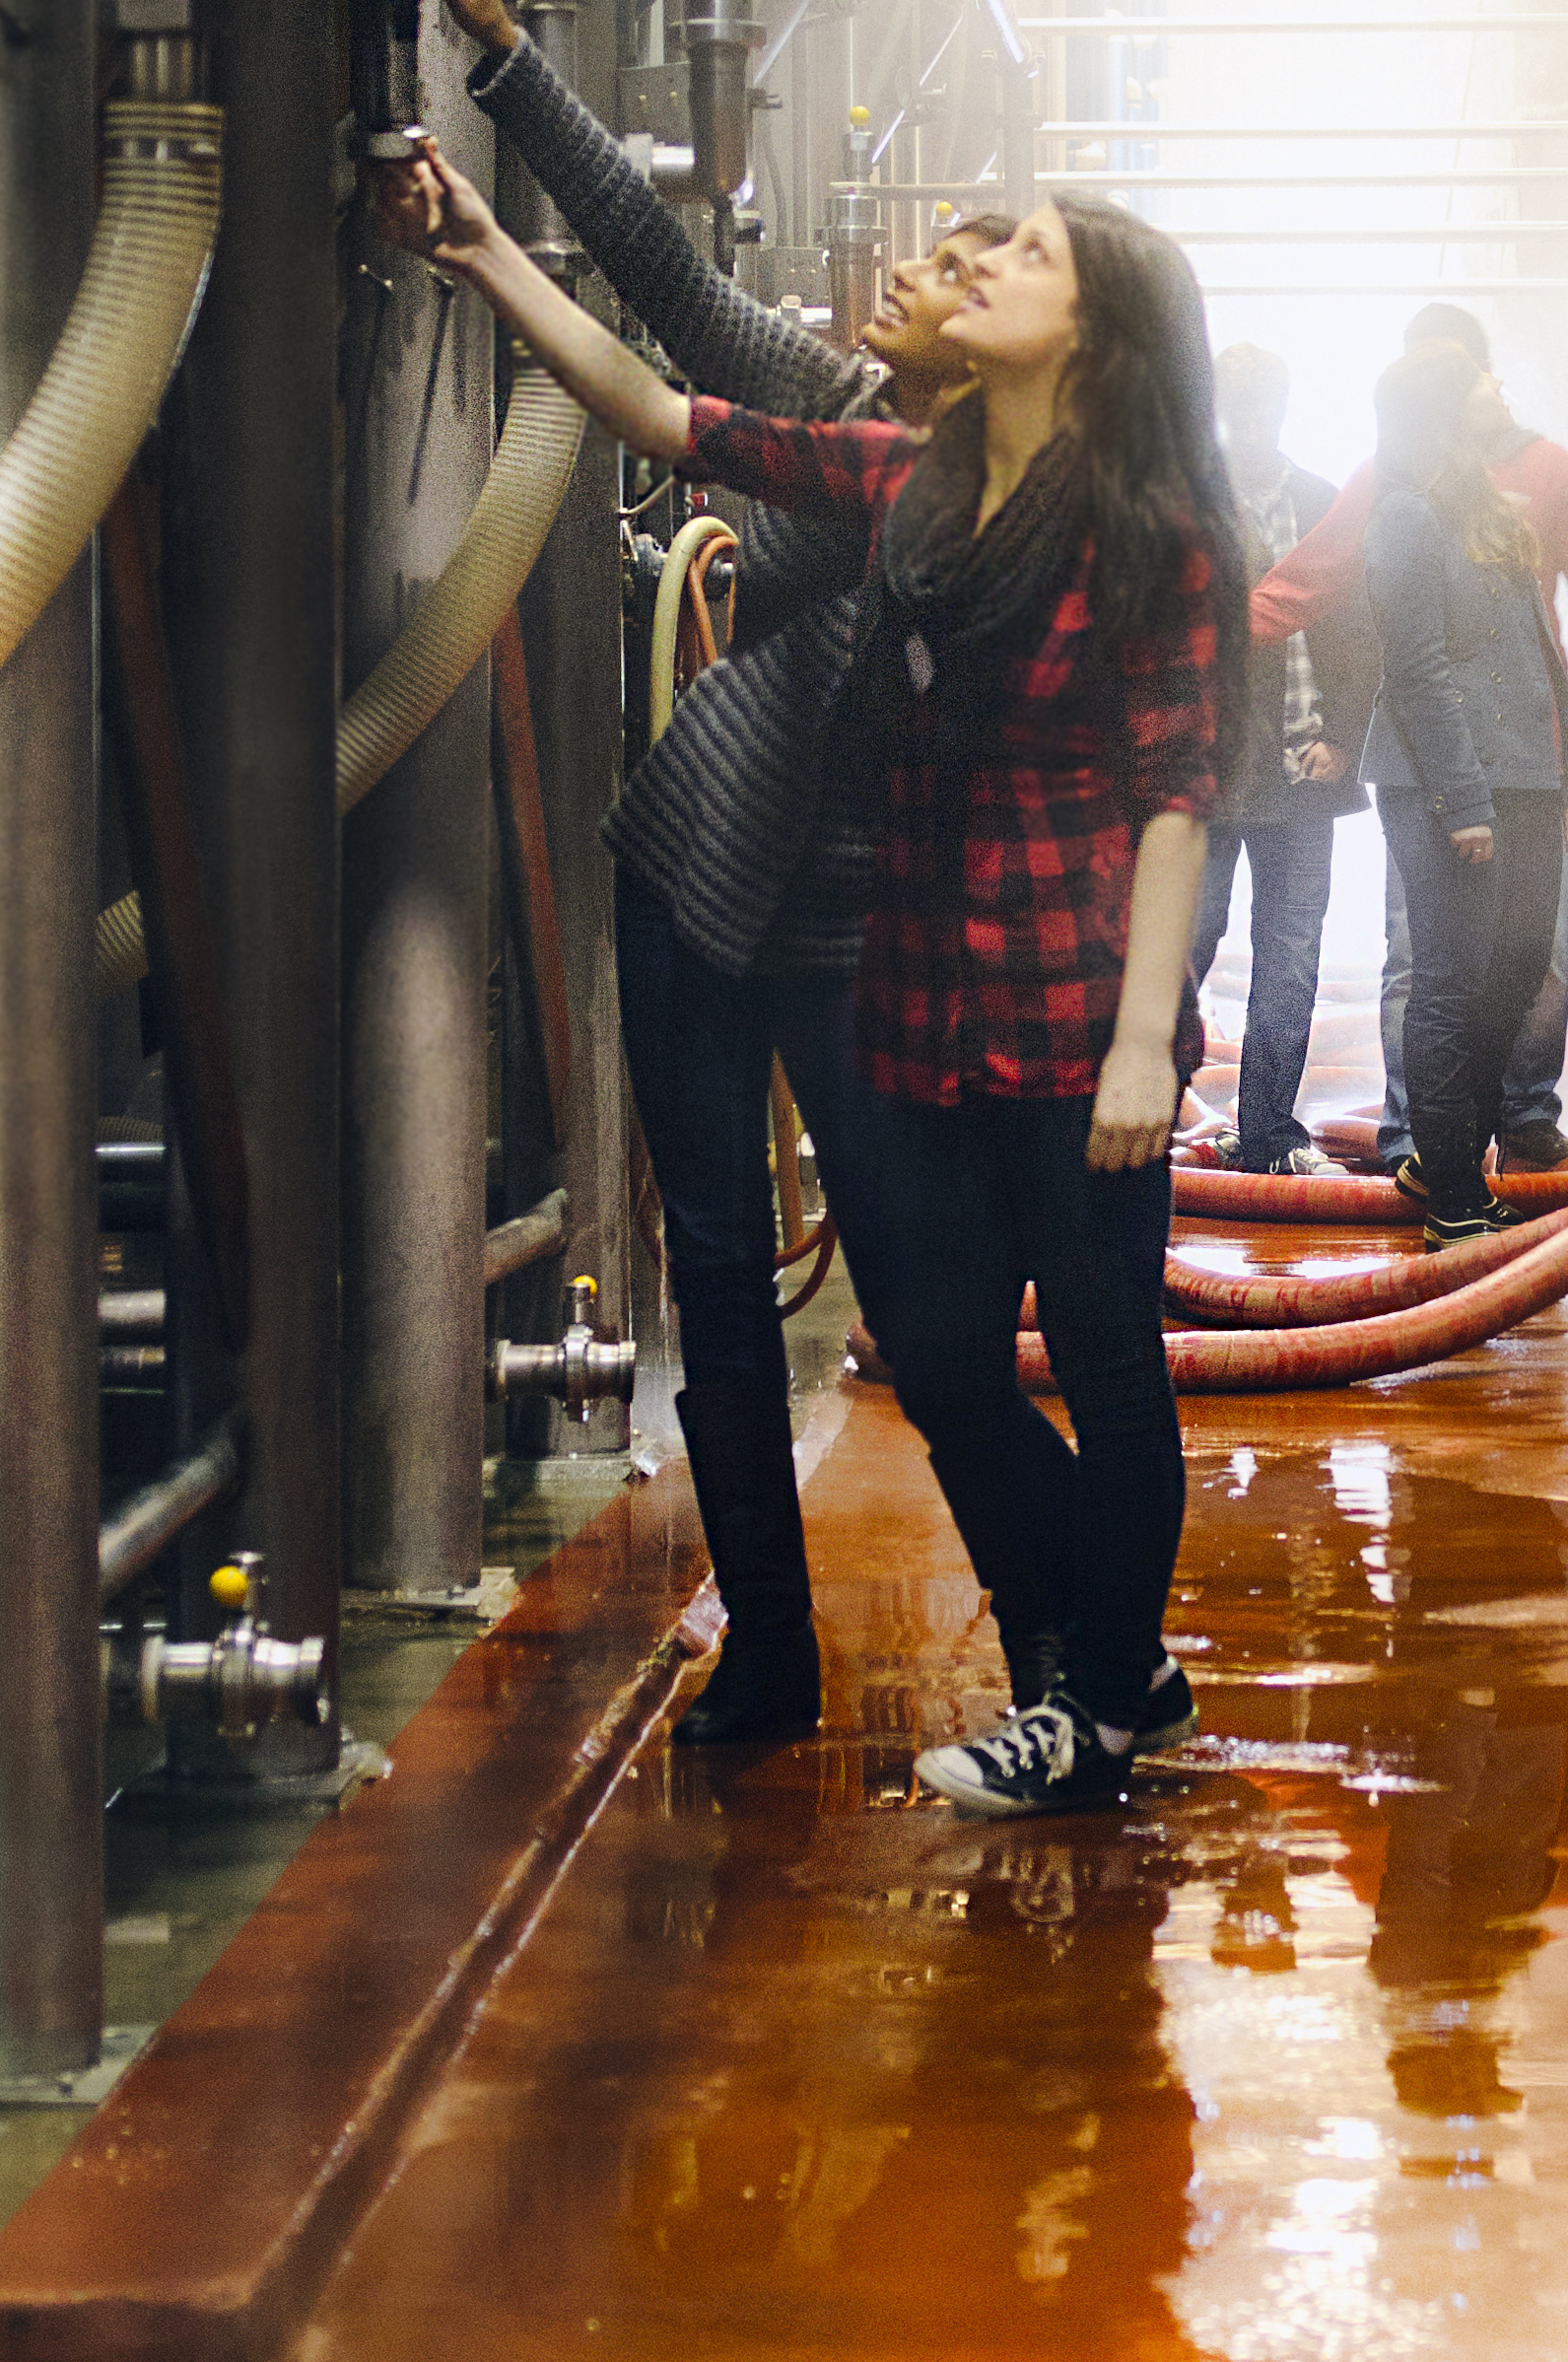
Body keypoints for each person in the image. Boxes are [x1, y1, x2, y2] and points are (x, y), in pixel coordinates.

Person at [384, 162, 1232, 1825]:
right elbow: (669, 408)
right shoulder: (908, 479)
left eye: (1027, 258)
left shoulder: (1145, 527)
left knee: (1108, 1361)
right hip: (921, 1002)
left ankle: (1098, 1698)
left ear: (1098, 330)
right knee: (937, 1350)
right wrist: (486, 248)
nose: (977, 267)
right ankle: (1102, 1659)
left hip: (1063, 1005)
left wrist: (1147, 1037)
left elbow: (1175, 792)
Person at [397, 0, 1028, 1746]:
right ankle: (771, 1645)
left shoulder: (982, 497)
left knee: (916, 1285)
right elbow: (666, 280)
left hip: (852, 932)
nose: (897, 276)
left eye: (945, 272)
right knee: (723, 1276)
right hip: (693, 890)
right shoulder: (832, 404)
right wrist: (509, 65)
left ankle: (1058, 1639)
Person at [1251, 303, 1568, 1166]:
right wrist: (1182, 639)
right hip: (1433, 754)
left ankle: (1521, 1114)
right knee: (1426, 958)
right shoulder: (1393, 488)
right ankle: (1425, 1138)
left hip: (1529, 756)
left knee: (1538, 949)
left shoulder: (1542, 474)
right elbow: (1310, 581)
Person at [1354, 350, 1568, 1245]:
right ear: (1443, 410)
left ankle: (1448, 1157)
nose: (1498, 383)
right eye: (1479, 378)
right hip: (1442, 785)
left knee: (1523, 963)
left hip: (1526, 777)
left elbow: (1543, 656)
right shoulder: (1405, 518)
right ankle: (1451, 1185)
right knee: (1451, 979)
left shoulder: (1493, 511)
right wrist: (1464, 802)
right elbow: (1418, 672)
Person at [1170, 344, 1365, 1175]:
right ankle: (1149, 1113)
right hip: (1205, 777)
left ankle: (1268, 1133)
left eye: (1263, 403)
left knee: (1289, 959)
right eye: (1238, 404)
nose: (1251, 420)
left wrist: (1345, 738)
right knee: (1187, 947)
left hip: (1299, 773)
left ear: (1281, 406)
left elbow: (1362, 639)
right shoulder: (1180, 507)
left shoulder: (1323, 506)